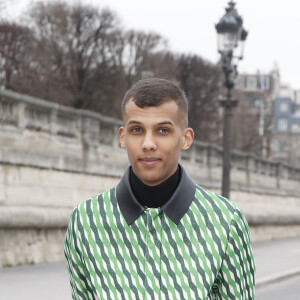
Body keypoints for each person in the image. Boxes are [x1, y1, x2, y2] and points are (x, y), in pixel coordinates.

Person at [64, 78, 255, 300]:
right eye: (137, 130)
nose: (148, 143)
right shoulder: (86, 221)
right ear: (123, 137)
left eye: (162, 130)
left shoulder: (226, 221)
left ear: (186, 138)